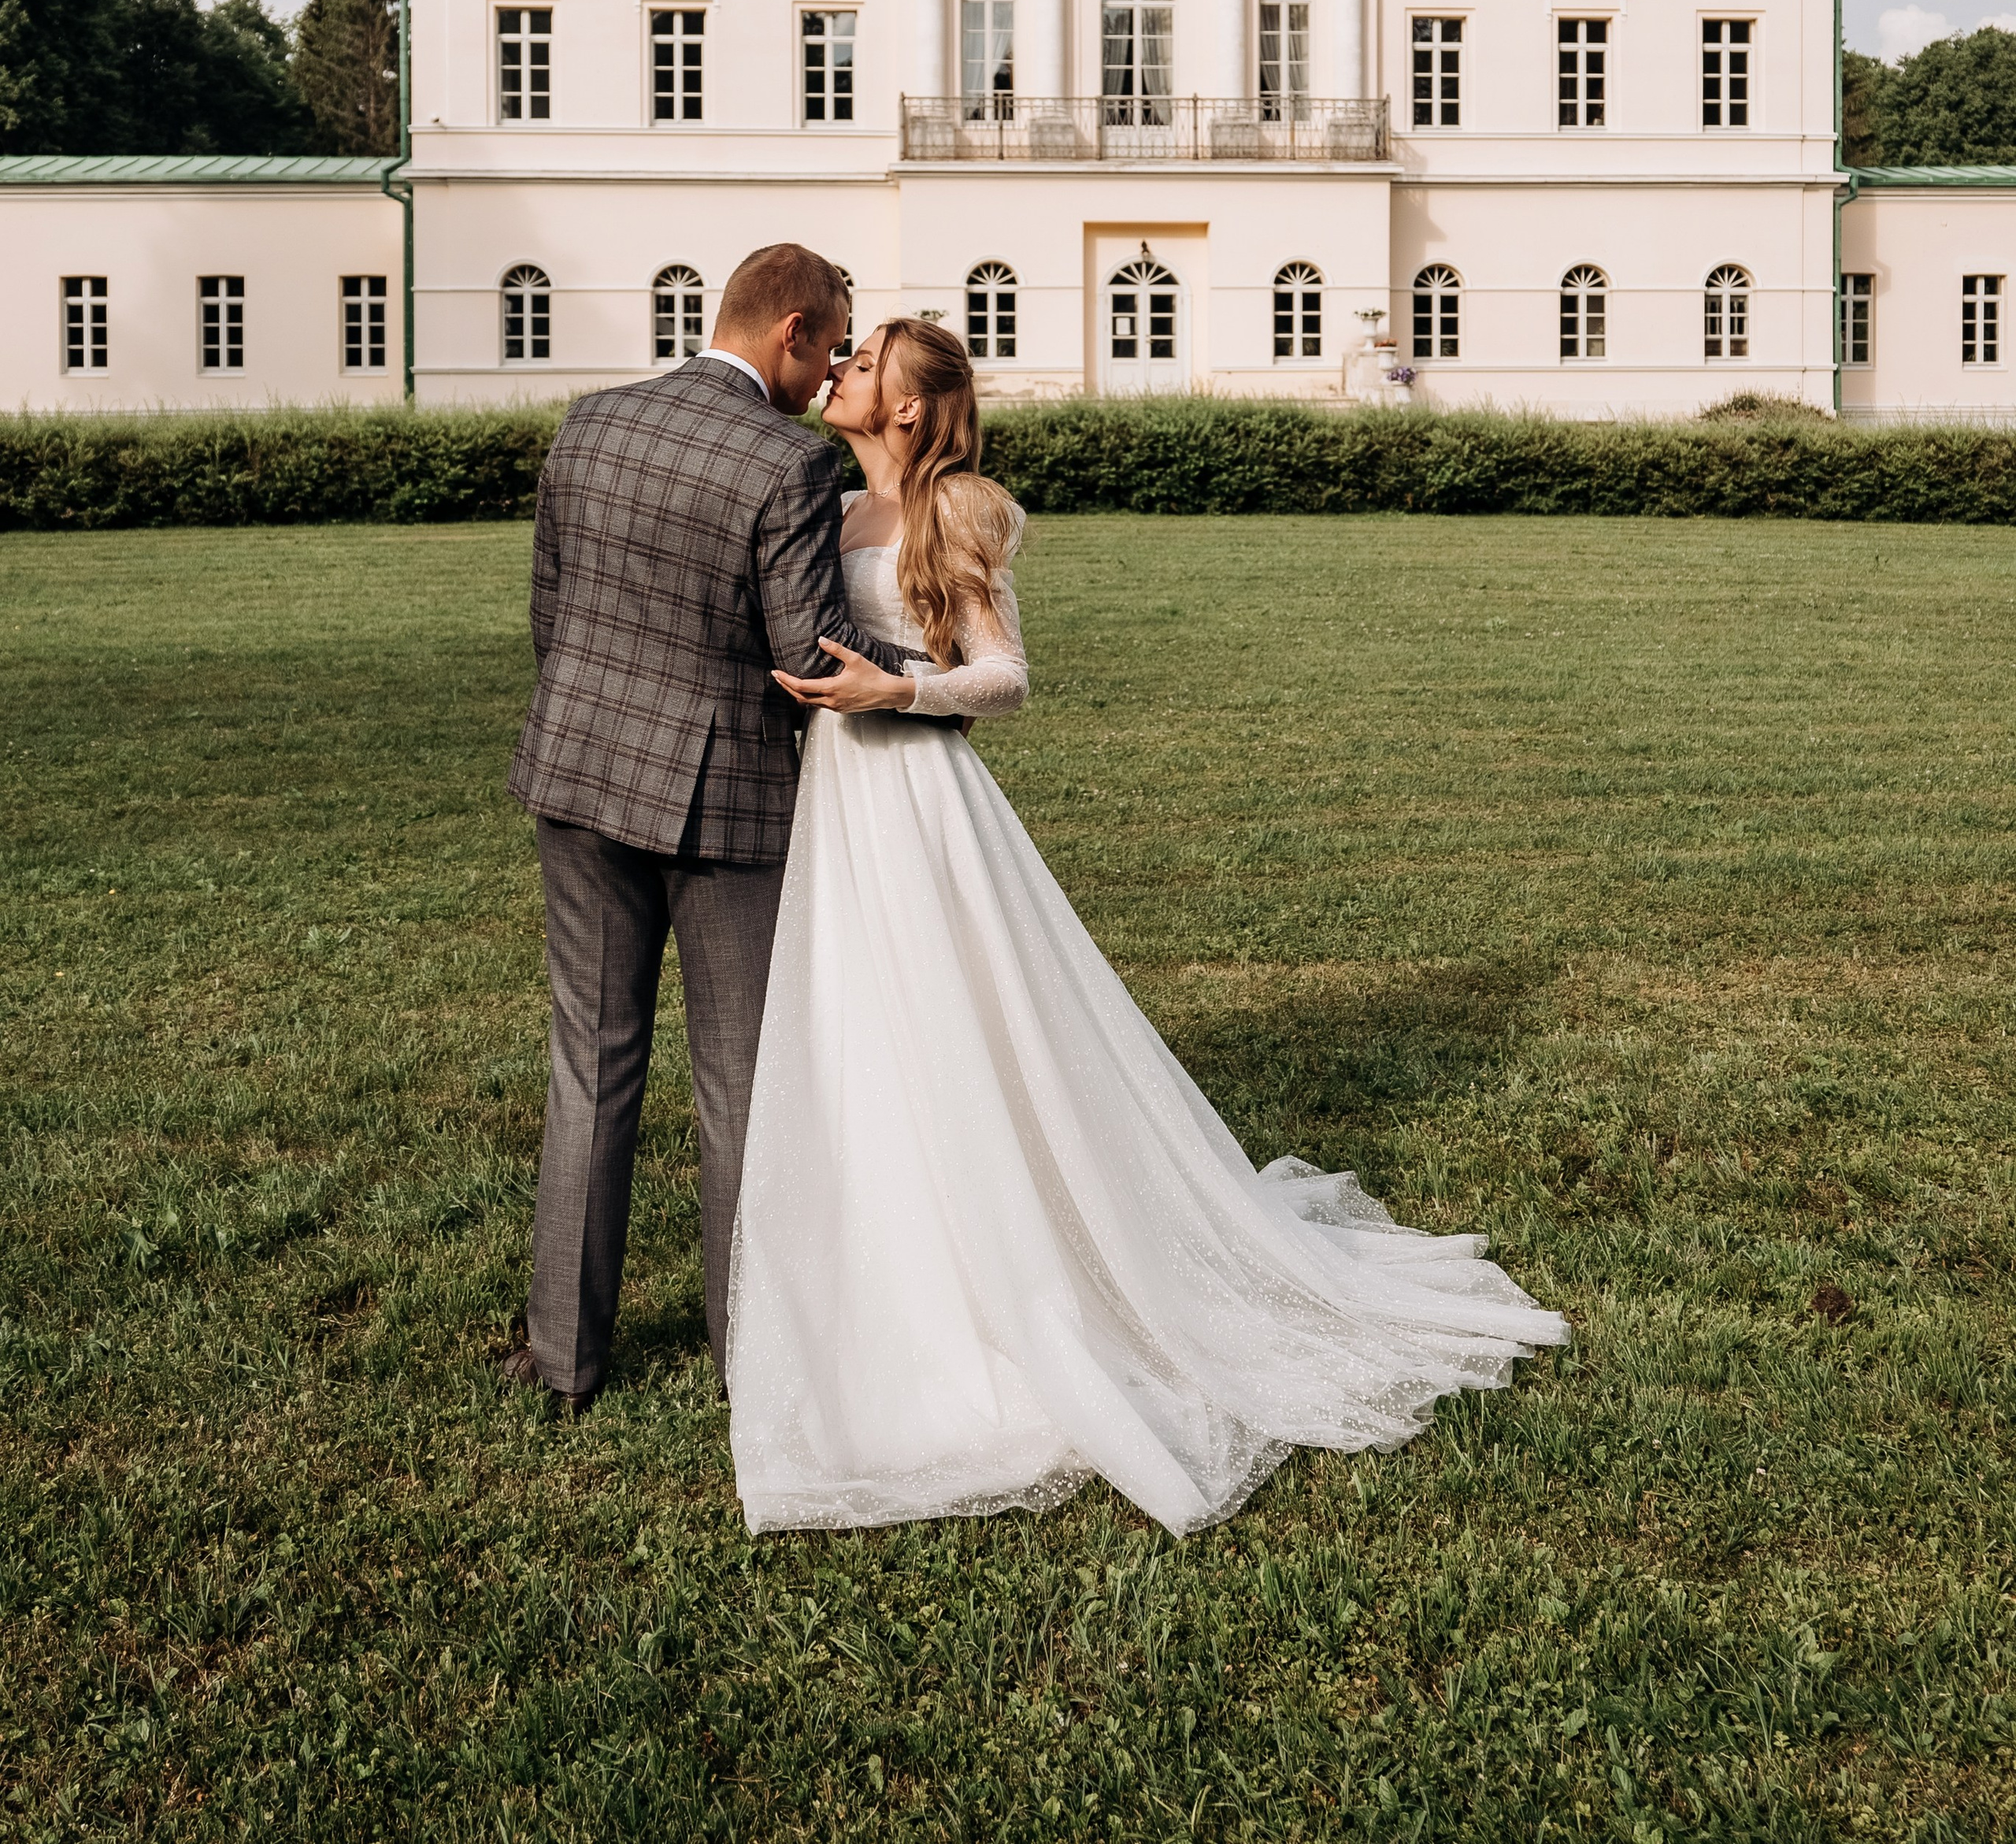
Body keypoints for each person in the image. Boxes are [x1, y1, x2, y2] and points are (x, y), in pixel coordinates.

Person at [728, 317, 1569, 1536]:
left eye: (864, 368)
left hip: (917, 795)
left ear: (908, 409)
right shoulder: (828, 510)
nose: (841, 374)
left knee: (959, 1020)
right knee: (861, 1029)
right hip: (834, 803)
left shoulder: (959, 510)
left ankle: (1015, 1280)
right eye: (843, 359)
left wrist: (896, 688)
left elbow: (1008, 675)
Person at [501, 242, 920, 1413]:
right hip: (720, 803)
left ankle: (565, 1361)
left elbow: (551, 608)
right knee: (740, 1087)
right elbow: (809, 654)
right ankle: (752, 1358)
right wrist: (932, 676)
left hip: (574, 778)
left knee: (590, 1066)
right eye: (833, 344)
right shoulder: (784, 464)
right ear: (790, 330)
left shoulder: (590, 420)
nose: (833, 367)